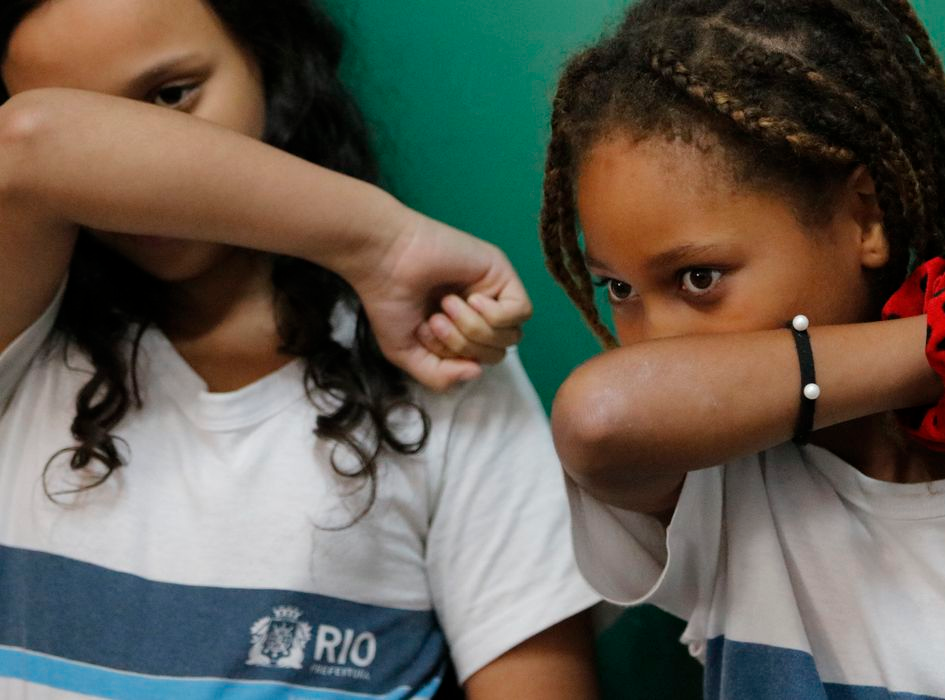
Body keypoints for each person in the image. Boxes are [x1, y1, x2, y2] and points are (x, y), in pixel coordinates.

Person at [541, 0, 945, 697]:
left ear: (864, 215)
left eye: (699, 279)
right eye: (619, 289)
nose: (651, 340)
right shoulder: (711, 477)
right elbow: (601, 417)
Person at [0, 0, 599, 697]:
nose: (126, 162)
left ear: (268, 62)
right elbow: (30, 145)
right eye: (93, 123)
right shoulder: (24, 347)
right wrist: (385, 245)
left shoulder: (438, 364)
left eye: (171, 96)